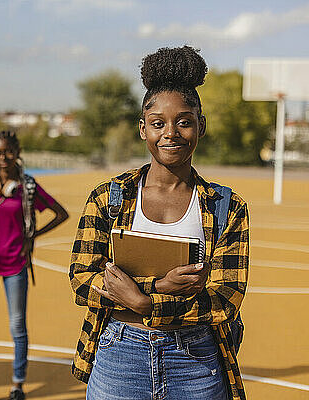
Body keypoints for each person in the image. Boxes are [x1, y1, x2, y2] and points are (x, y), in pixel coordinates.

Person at [69, 46, 249, 400]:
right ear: (142, 129)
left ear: (201, 125)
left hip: (195, 361)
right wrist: (162, 286)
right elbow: (81, 280)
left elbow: (225, 299)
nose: (171, 133)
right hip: (119, 353)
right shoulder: (108, 197)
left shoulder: (227, 206)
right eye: (158, 123)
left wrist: (144, 303)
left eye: (184, 121)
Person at [0, 131, 69, 400]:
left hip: (15, 264)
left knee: (17, 326)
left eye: (8, 151)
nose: (3, 157)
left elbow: (61, 213)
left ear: (17, 152)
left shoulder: (28, 187)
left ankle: (17, 385)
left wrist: (33, 236)